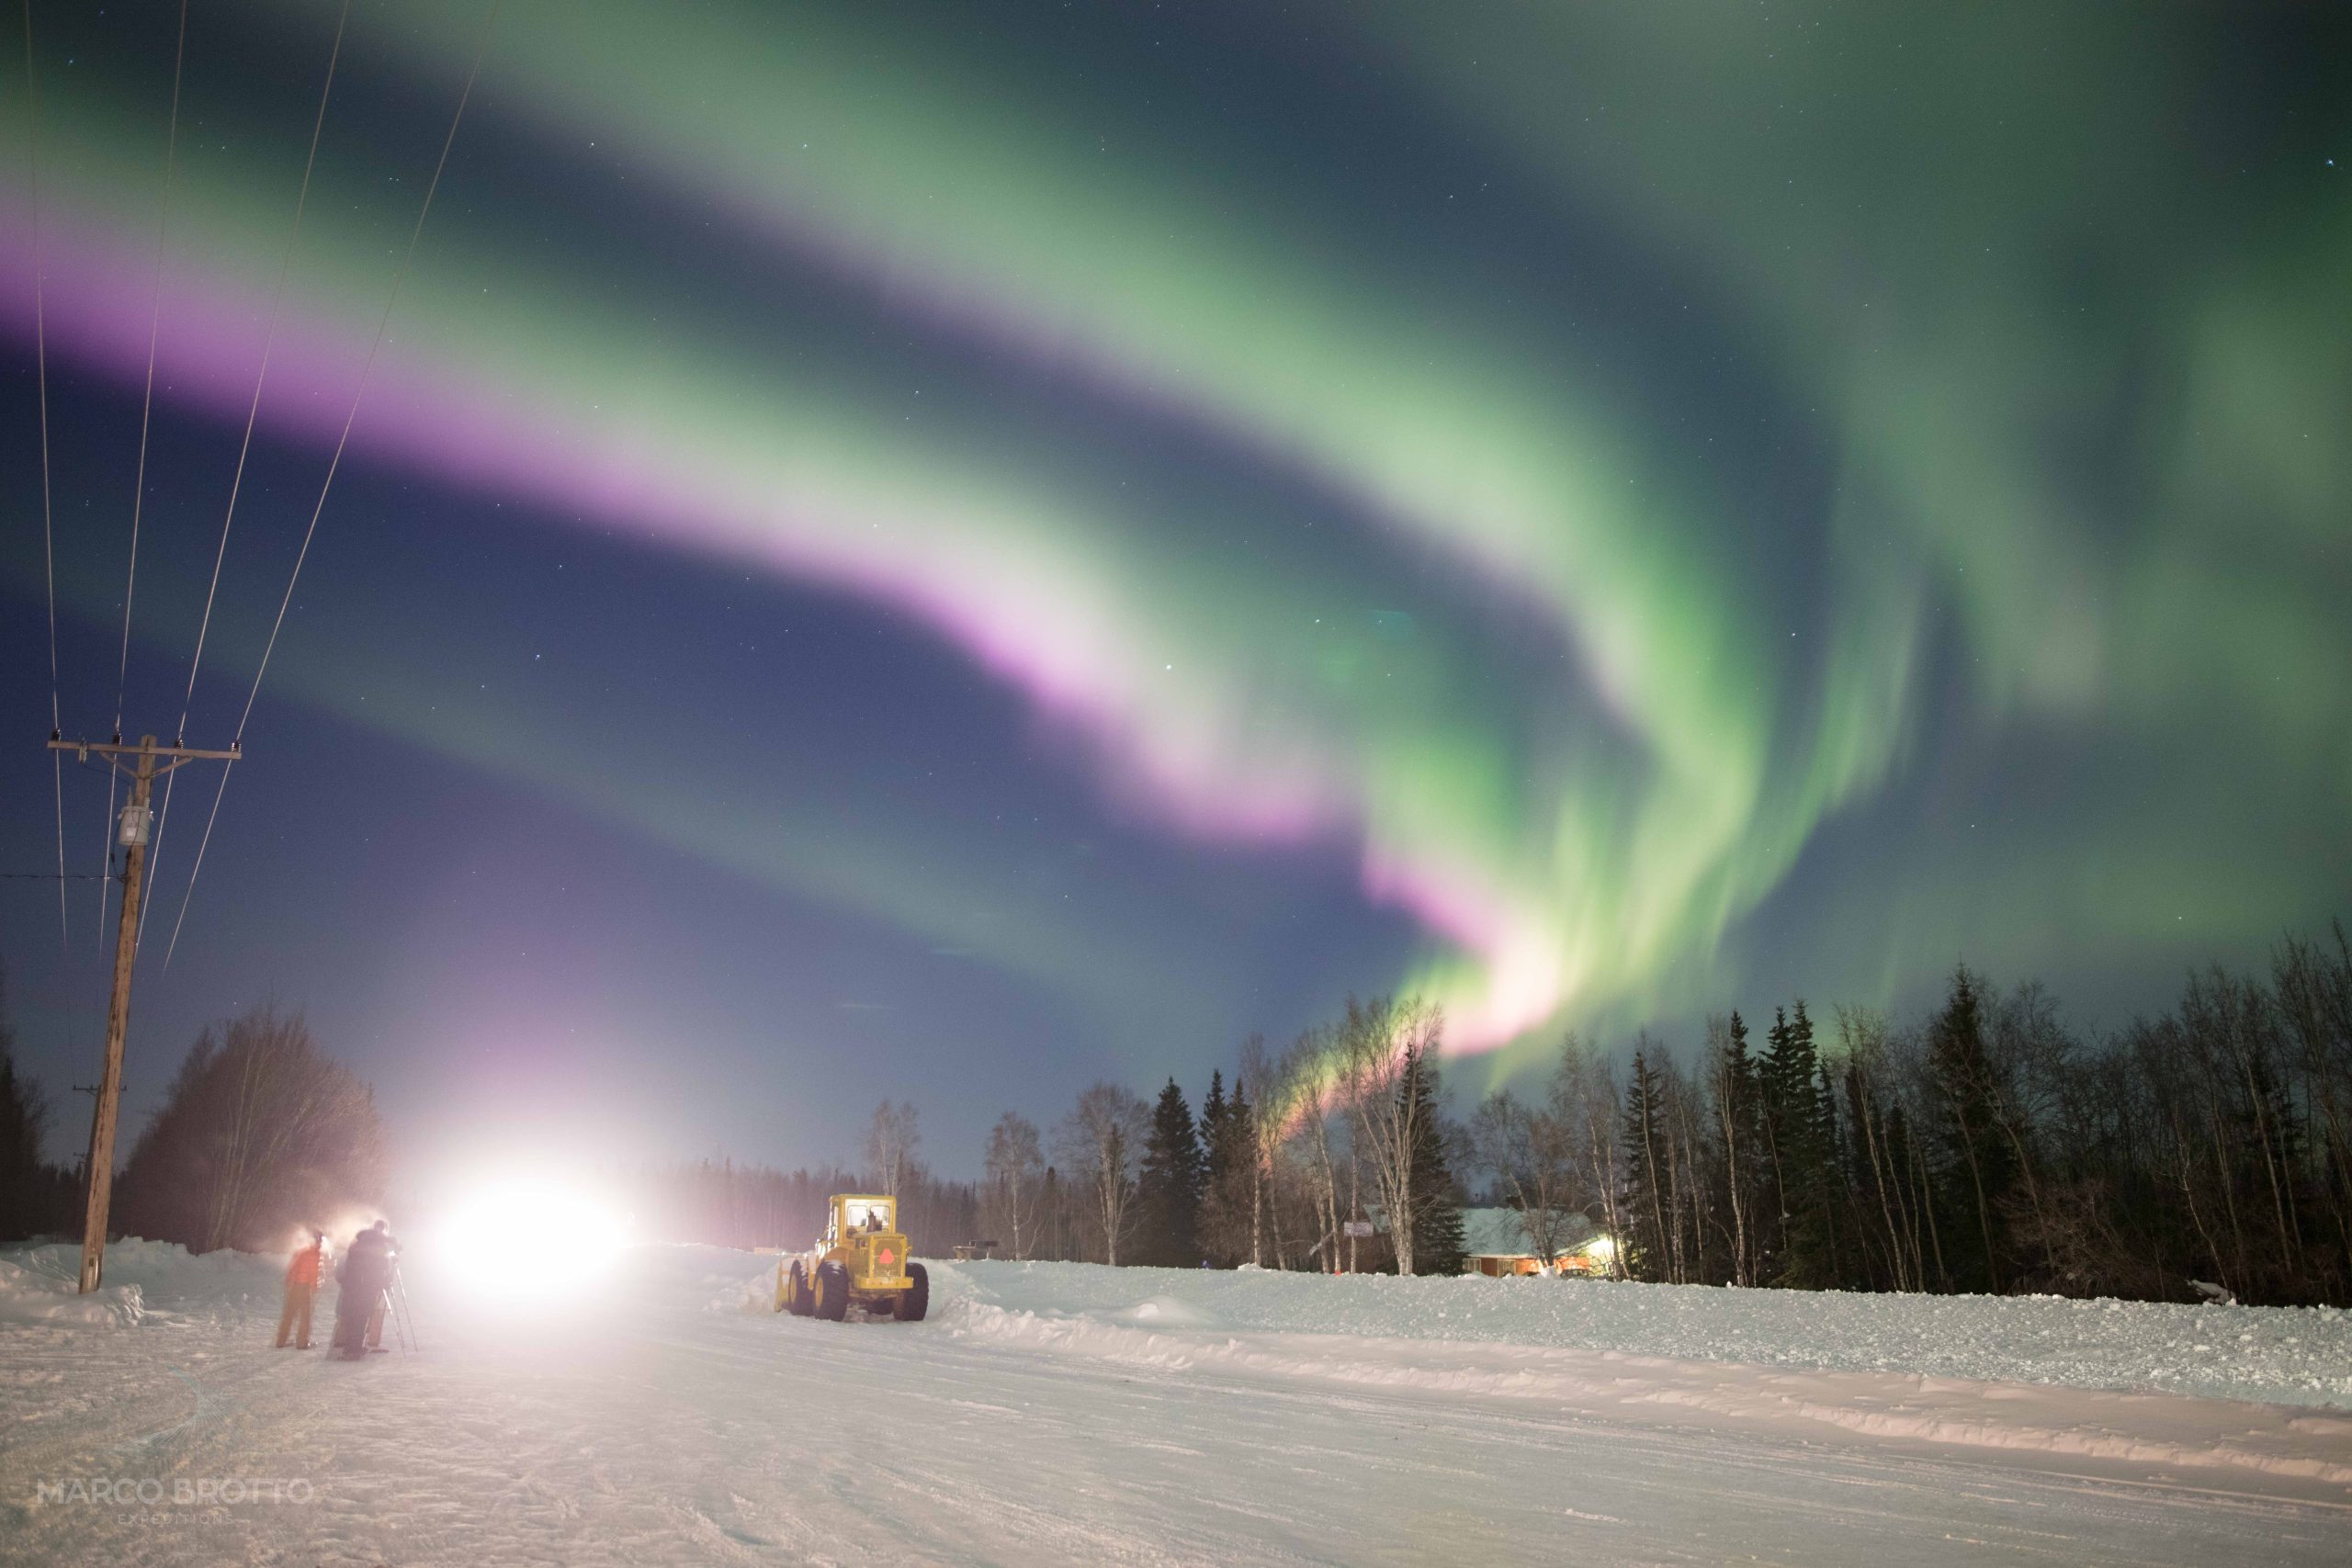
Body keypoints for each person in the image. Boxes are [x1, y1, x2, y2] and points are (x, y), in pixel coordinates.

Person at [332, 1221, 397, 1360]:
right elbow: (380, 1273)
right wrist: (385, 1284)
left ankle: (350, 1348)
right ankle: (353, 1350)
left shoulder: (355, 1248)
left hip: (352, 1288)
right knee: (360, 1318)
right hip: (367, 1290)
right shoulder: (379, 1251)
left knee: (353, 1317)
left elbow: (344, 1268)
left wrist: (344, 1282)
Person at [277, 1230, 327, 1348]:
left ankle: (281, 1341)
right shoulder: (316, 1254)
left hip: (295, 1286)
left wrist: (289, 1281)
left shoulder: (302, 1252)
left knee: (289, 1314)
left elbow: (292, 1267)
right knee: (305, 1316)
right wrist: (315, 1286)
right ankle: (302, 1342)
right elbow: (314, 1273)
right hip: (305, 1287)